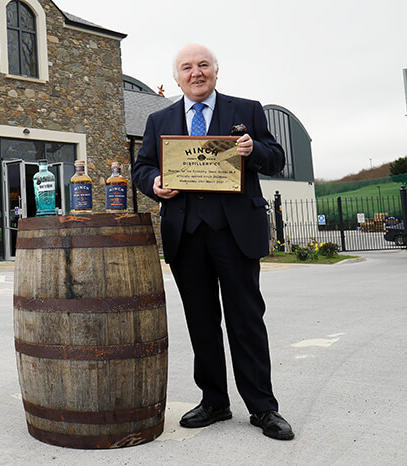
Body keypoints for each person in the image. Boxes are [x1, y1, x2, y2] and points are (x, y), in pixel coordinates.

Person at [132, 44, 294, 440]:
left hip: (236, 233)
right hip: (186, 234)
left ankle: (263, 408)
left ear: (216, 71)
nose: (196, 72)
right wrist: (153, 183)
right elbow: (143, 167)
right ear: (177, 78)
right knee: (201, 322)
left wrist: (254, 149)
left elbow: (276, 157)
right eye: (187, 67)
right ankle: (214, 401)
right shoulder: (159, 119)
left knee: (246, 321)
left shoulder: (247, 110)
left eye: (203, 65)